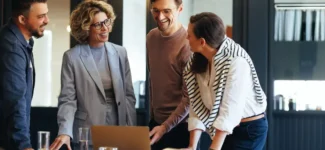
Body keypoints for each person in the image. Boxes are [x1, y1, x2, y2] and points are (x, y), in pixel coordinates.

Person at [49, 1, 136, 150]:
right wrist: (64, 131)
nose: (105, 28)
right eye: (98, 25)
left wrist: (131, 132)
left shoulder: (120, 53)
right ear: (86, 28)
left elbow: (129, 96)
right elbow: (67, 99)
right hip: (86, 132)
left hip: (118, 132)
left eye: (106, 22)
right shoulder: (72, 57)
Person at [184, 12, 268, 150]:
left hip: (248, 130)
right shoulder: (199, 60)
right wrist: (192, 146)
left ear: (202, 41)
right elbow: (196, 103)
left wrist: (214, 148)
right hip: (225, 129)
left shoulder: (236, 61)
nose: (186, 38)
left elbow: (230, 111)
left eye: (189, 35)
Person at [0, 0, 49, 149]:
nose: (47, 20)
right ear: (22, 19)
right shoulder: (12, 46)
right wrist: (24, 145)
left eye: (46, 14)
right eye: (41, 16)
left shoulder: (22, 43)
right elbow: (15, 100)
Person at [147, 0, 192, 149]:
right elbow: (153, 79)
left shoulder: (188, 43)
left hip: (181, 127)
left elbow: (189, 98)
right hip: (155, 123)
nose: (160, 17)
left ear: (180, 9)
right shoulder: (151, 37)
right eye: (155, 10)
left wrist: (165, 127)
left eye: (167, 11)